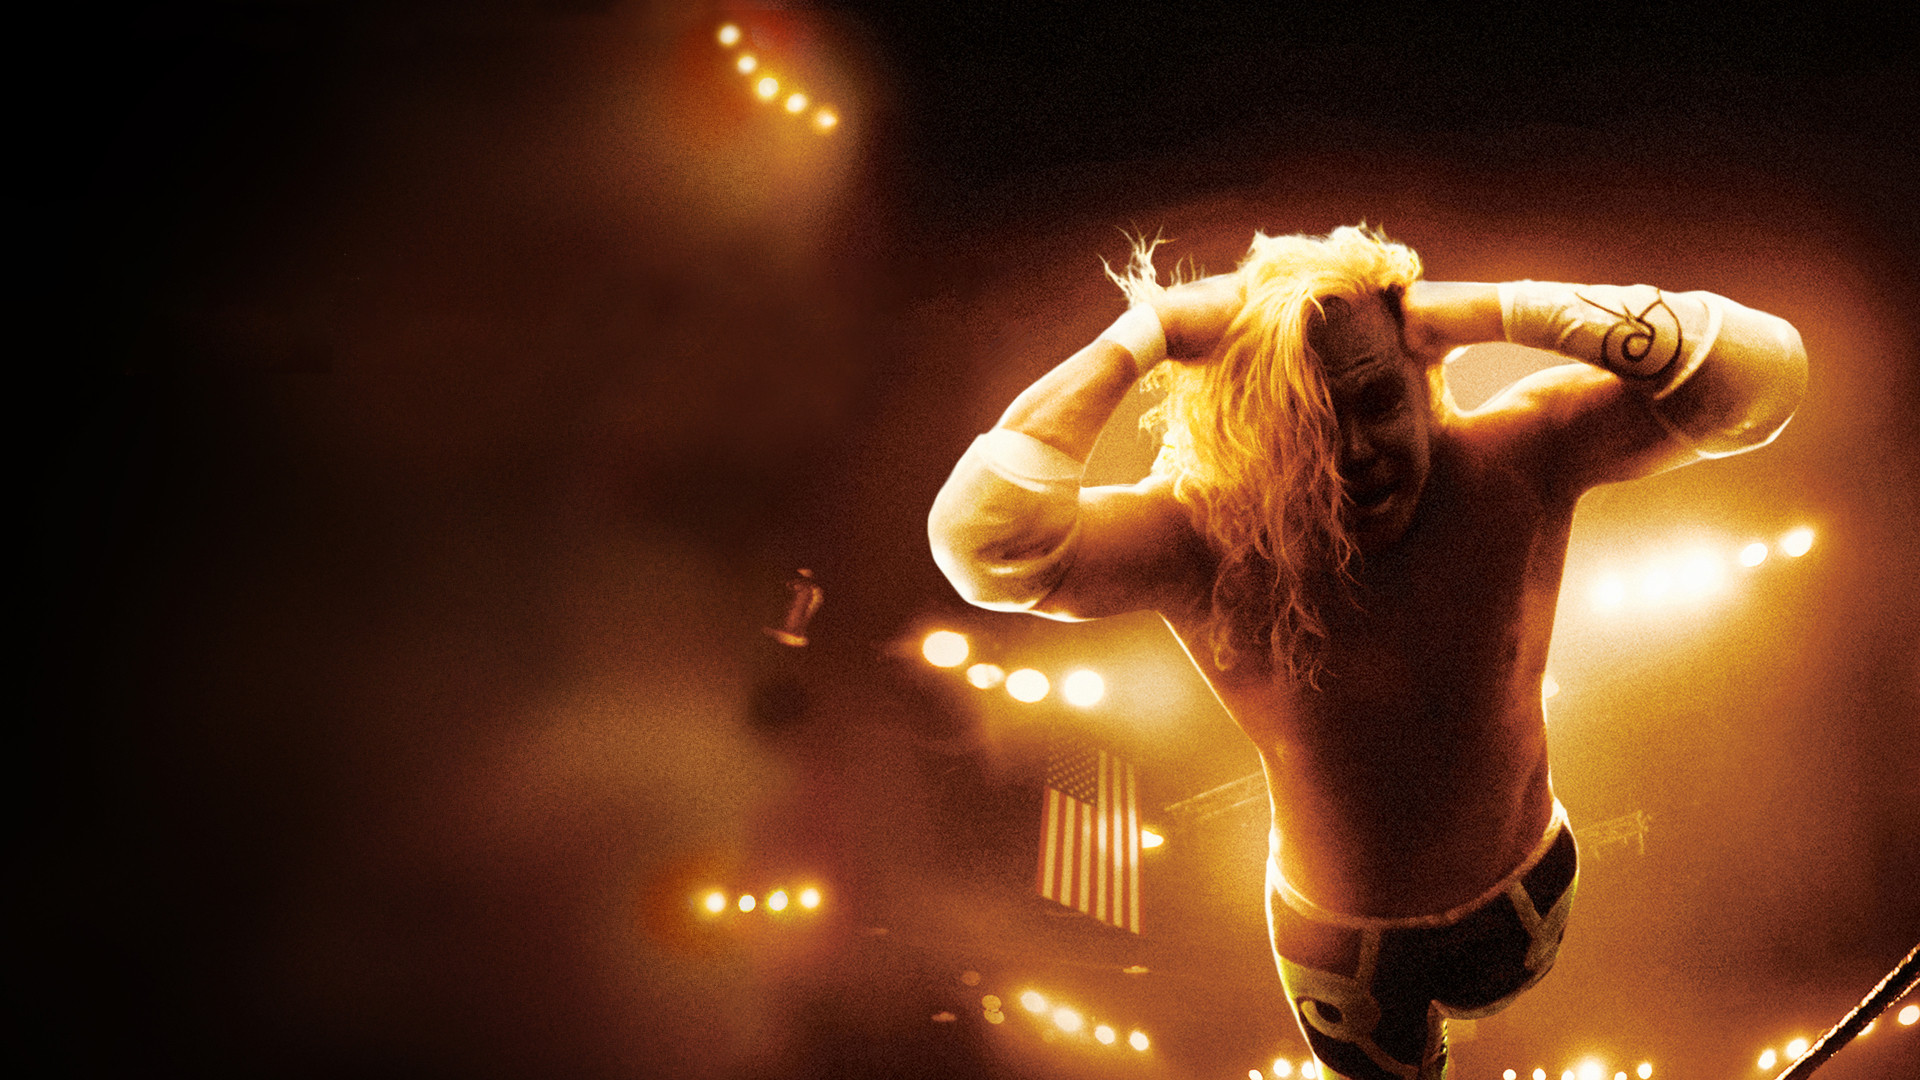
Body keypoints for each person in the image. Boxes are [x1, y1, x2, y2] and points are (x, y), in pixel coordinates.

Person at [926, 226, 1807, 1080]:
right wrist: (1141, 335)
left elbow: (1763, 379)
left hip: (1526, 890)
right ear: (1252, 422)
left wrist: (1484, 309)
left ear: (1424, 373)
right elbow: (982, 544)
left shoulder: (1514, 458)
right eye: (1306, 418)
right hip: (1341, 954)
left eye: (1378, 399)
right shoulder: (1209, 532)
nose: (1352, 452)